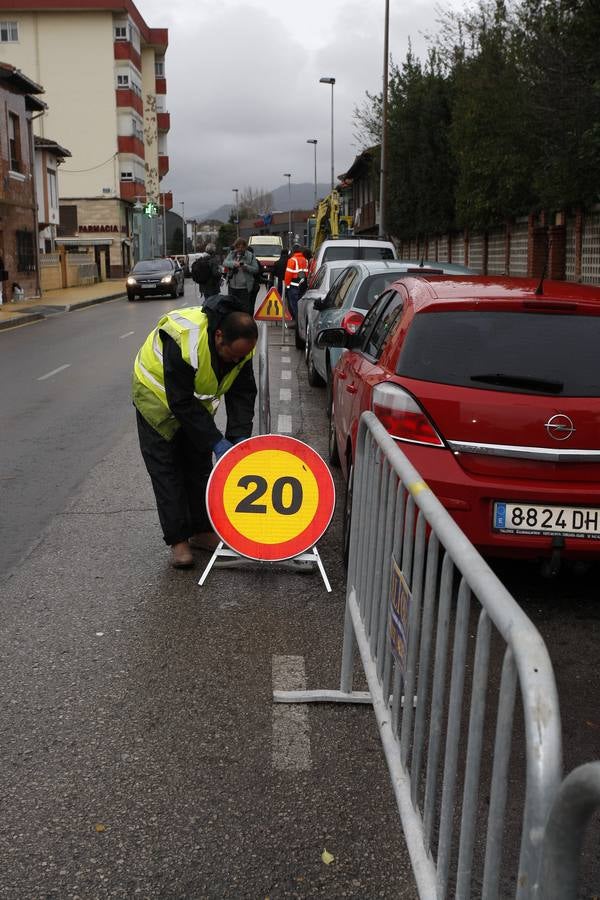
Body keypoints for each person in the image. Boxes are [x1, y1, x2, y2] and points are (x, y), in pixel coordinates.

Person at [132, 294, 258, 569]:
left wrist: (238, 437)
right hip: (155, 398)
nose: (235, 360)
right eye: (231, 354)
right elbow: (180, 401)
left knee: (199, 466)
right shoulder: (184, 340)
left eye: (240, 356)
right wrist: (215, 439)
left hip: (192, 405)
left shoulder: (241, 347)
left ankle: (201, 531)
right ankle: (179, 543)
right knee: (167, 471)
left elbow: (243, 392)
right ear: (218, 336)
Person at [223, 238, 258, 313]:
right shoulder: (232, 254)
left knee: (244, 309)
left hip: (244, 288)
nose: (239, 249)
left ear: (245, 247)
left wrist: (246, 267)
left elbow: (256, 269)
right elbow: (225, 262)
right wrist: (233, 264)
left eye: (242, 247)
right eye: (238, 247)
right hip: (232, 286)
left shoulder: (250, 255)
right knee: (232, 308)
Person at [284, 242, 309, 320]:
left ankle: (297, 322)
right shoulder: (305, 260)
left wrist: (287, 286)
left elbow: (288, 274)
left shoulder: (291, 260)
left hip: (293, 286)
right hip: (302, 286)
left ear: (292, 251)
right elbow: (307, 273)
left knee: (294, 306)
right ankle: (301, 321)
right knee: (301, 306)